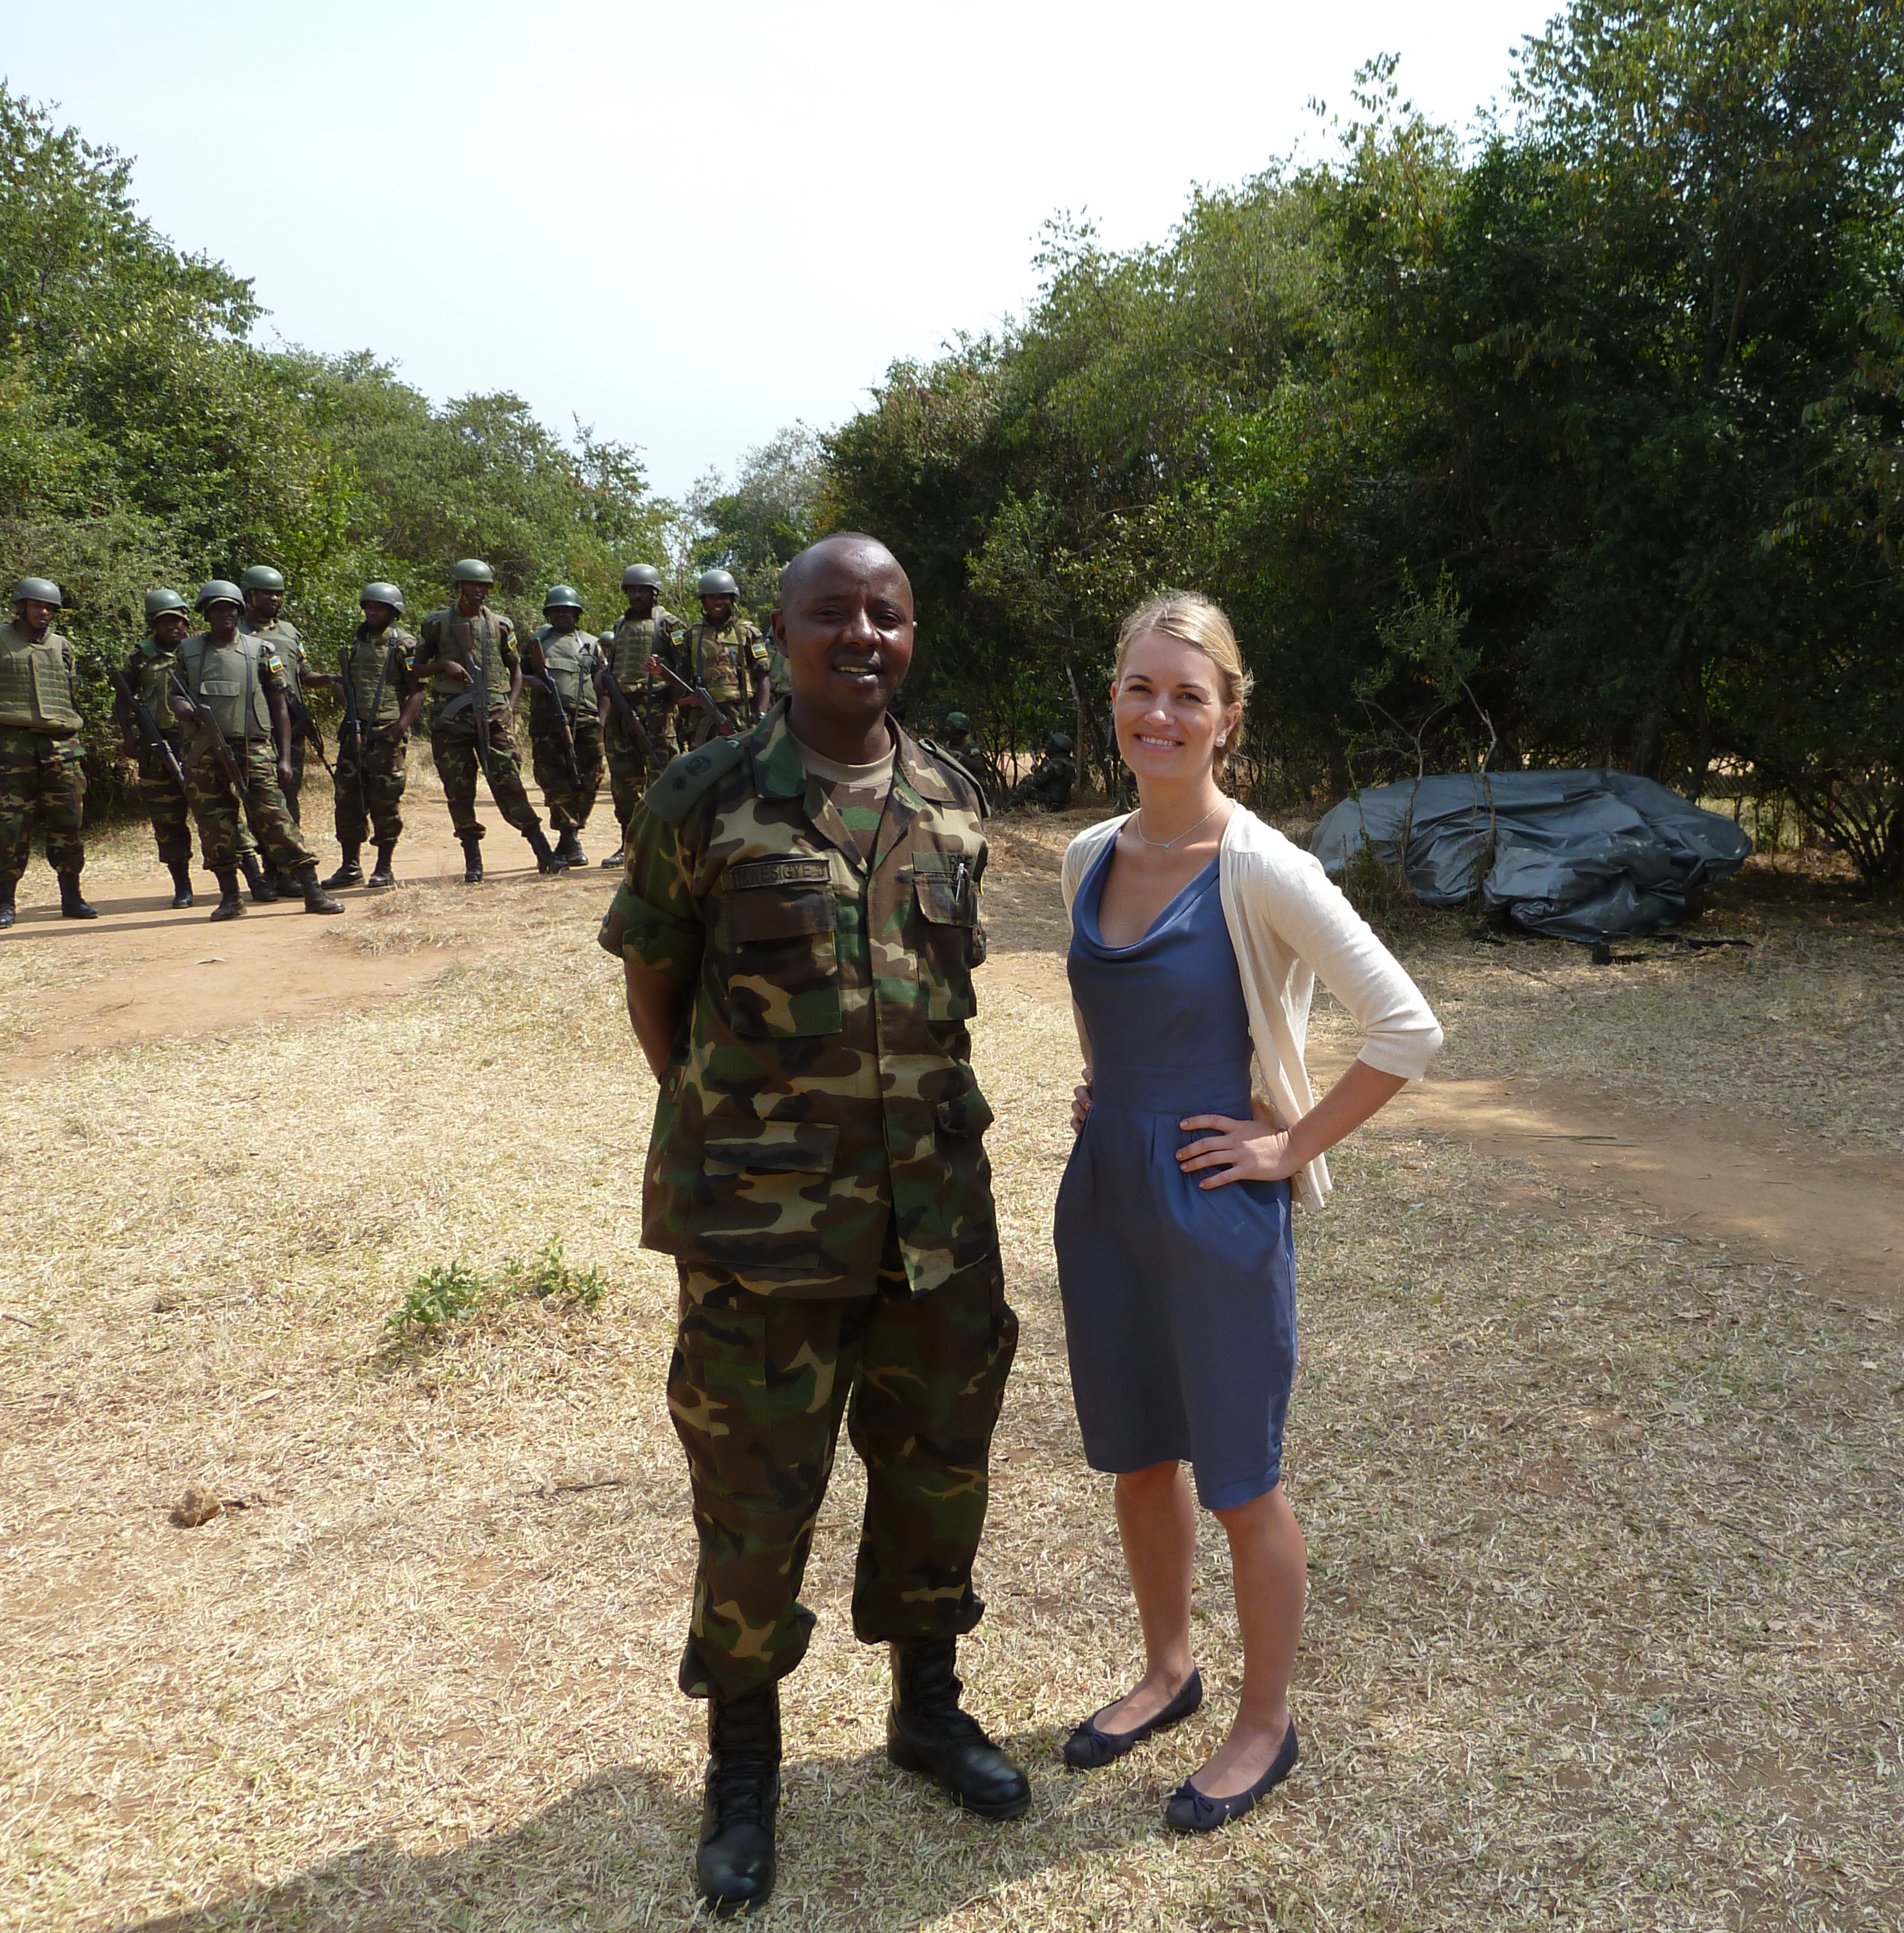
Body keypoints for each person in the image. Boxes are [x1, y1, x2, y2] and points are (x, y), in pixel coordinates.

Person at [601, 531, 1024, 1912]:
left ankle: (926, 1711)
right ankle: (743, 1769)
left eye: (886, 614)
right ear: (781, 635)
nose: (862, 635)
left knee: (937, 1476)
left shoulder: (952, 800)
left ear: (912, 635)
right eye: (832, 611)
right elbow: (656, 991)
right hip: (760, 1236)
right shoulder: (703, 796)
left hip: (935, 1226)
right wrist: (739, 1133)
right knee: (752, 1501)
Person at [1051, 591, 1442, 1834]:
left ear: (1228, 717)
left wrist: (1289, 1143)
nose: (1159, 714)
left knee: (1240, 1481)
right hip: (1105, 1197)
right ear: (1114, 700)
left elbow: (1407, 1029)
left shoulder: (1264, 867)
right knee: (1136, 1459)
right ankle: (1168, 1672)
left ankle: (1265, 1724)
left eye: (1188, 695)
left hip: (1216, 1210)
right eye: (1140, 689)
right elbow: (1111, 1006)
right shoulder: (1087, 856)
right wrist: (1107, 1089)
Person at [164, 583, 343, 919]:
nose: (226, 614)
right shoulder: (188, 651)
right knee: (214, 824)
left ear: (240, 611)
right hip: (203, 750)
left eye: (231, 609)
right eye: (218, 609)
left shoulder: (261, 650)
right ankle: (231, 897)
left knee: (276, 817)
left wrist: (285, 758)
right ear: (206, 613)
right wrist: (182, 708)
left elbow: (280, 706)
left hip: (254, 747)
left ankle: (312, 890)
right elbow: (173, 694)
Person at [407, 559, 564, 883]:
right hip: (452, 721)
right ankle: (473, 861)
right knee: (458, 790)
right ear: (459, 587)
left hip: (493, 717)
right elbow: (416, 669)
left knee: (509, 783)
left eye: (484, 586)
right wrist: (444, 665)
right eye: (473, 585)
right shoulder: (437, 624)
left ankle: (544, 852)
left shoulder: (500, 625)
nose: (479, 591)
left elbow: (516, 669)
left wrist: (510, 707)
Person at [0, 576, 95, 929]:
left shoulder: (63, 647)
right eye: (37, 606)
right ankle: (5, 904)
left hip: (61, 750)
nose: (44, 612)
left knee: (68, 826)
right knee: (10, 829)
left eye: (49, 608)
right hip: (12, 752)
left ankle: (72, 898)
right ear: (20, 607)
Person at [327, 583, 419, 889]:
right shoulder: (357, 642)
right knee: (348, 801)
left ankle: (384, 866)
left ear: (393, 612)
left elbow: (416, 691)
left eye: (379, 607)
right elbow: (349, 685)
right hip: (354, 732)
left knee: (385, 801)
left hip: (386, 733)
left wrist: (400, 729)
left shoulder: (405, 645)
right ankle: (350, 866)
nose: (372, 612)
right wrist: (340, 691)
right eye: (369, 607)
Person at [119, 590, 206, 909]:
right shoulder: (140, 657)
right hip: (157, 745)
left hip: (196, 744)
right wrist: (129, 736)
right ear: (153, 625)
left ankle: (247, 877)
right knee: (167, 820)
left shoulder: (198, 650)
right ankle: (182, 886)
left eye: (178, 621)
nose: (173, 627)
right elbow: (123, 697)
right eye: (165, 622)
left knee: (216, 812)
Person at [238, 564, 327, 852]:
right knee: (257, 799)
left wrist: (331, 679)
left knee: (289, 795)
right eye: (268, 594)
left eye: (278, 594)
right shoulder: (235, 633)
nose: (275, 599)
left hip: (290, 728)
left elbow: (305, 675)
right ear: (250, 596)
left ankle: (291, 858)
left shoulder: (290, 632)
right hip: (253, 728)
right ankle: (268, 860)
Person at [601, 563, 681, 863]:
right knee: (623, 781)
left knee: (663, 777)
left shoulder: (670, 624)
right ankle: (629, 844)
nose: (637, 596)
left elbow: (683, 669)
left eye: (643, 591)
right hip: (622, 707)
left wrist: (670, 699)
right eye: (632, 590)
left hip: (656, 706)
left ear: (655, 593)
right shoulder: (621, 624)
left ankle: (667, 844)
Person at [524, 585, 604, 867]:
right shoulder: (537, 642)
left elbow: (603, 683)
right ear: (548, 614)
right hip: (548, 721)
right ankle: (569, 837)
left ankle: (571, 834)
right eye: (556, 610)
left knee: (590, 776)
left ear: (577, 614)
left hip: (586, 720)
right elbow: (517, 674)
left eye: (567, 611)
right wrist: (533, 682)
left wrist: (602, 720)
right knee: (554, 779)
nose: (562, 615)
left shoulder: (591, 644)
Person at [669, 567, 771, 745]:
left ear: (732, 600)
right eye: (712, 597)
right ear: (704, 601)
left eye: (723, 597)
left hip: (741, 715)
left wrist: (761, 716)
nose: (718, 602)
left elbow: (763, 676)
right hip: (701, 717)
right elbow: (682, 679)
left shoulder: (747, 633)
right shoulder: (692, 635)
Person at [937, 711, 997, 802]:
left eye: (950, 725)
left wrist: (960, 757)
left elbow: (979, 766)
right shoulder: (948, 745)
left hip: (973, 788)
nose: (947, 728)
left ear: (958, 727)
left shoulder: (970, 745)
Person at [1020, 729, 1077, 811]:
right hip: (1063, 802)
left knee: (1023, 788)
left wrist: (1029, 777)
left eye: (1051, 744)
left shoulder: (1053, 764)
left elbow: (1037, 782)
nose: (1047, 746)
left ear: (1057, 747)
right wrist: (1040, 769)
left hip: (1051, 802)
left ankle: (1007, 809)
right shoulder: (1069, 762)